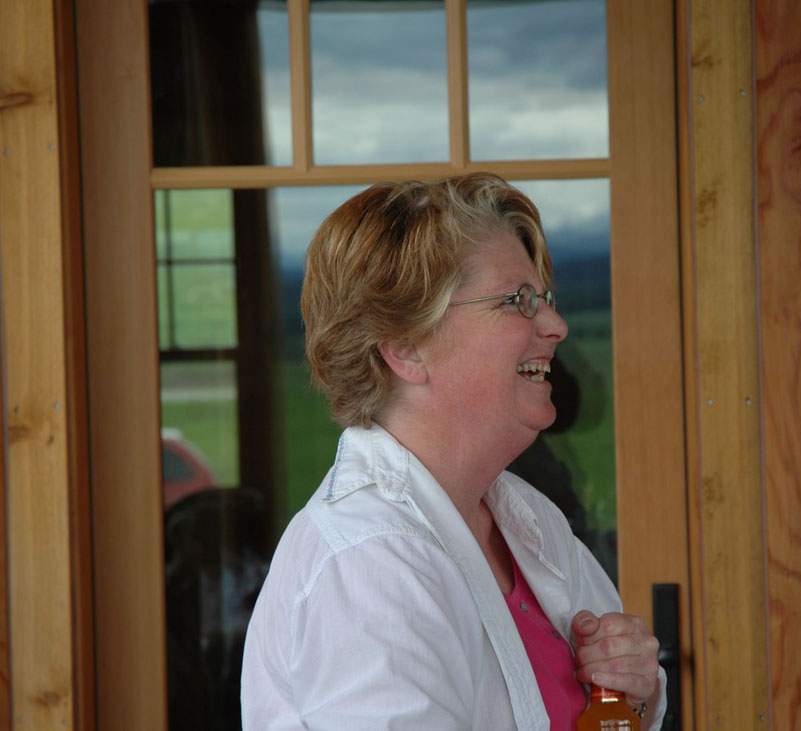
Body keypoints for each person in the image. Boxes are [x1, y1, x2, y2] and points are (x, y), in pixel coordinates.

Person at [241, 173, 665, 729]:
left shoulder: (527, 519)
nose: (556, 326)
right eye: (519, 301)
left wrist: (631, 698)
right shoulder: (369, 565)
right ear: (406, 347)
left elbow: (609, 714)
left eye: (546, 299)